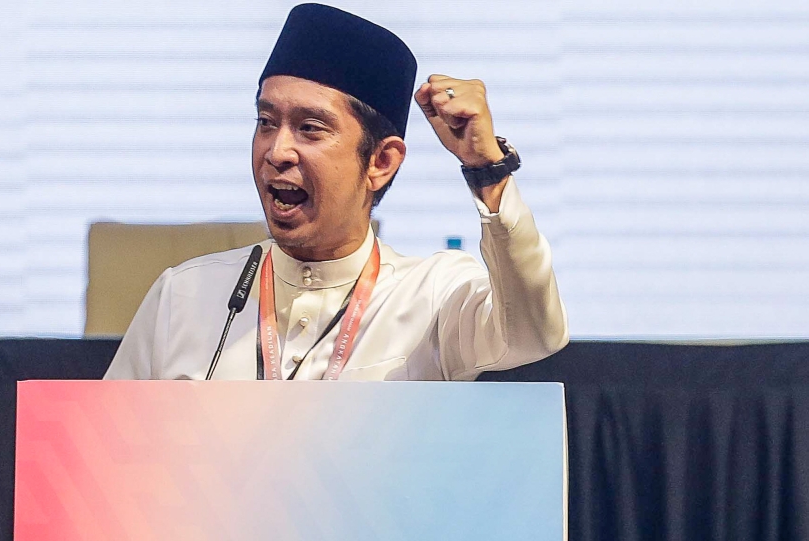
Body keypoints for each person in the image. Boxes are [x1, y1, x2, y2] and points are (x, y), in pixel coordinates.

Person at [105, 3, 567, 381]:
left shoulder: (433, 297)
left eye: (309, 128)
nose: (277, 151)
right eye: (266, 122)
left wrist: (487, 169)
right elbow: (101, 450)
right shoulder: (182, 297)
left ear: (381, 162)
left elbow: (532, 333)